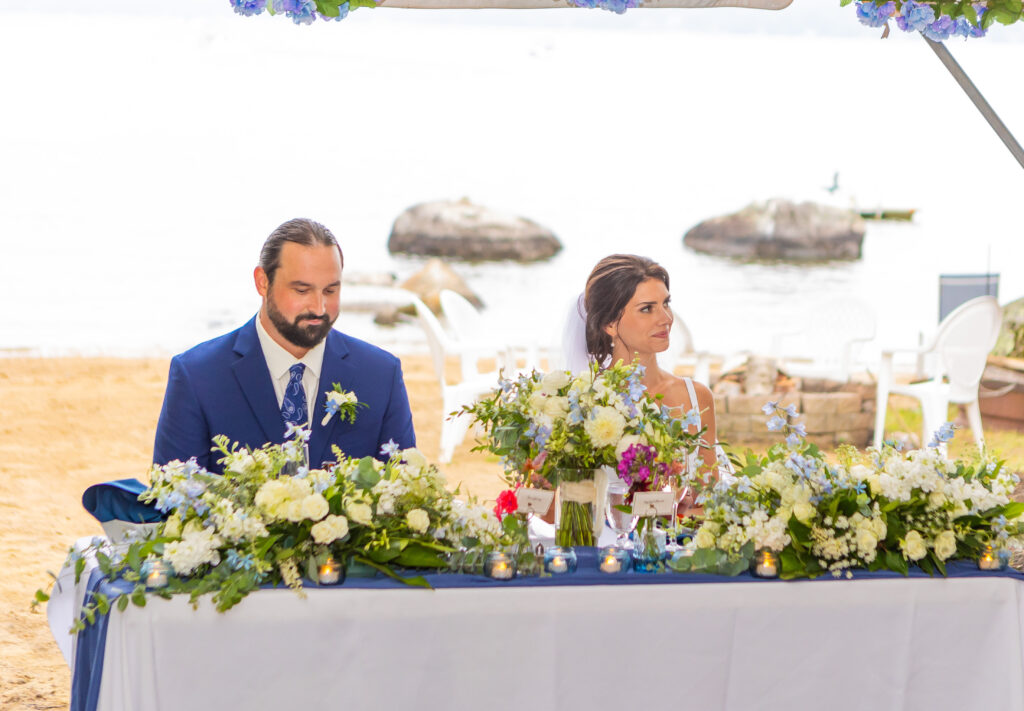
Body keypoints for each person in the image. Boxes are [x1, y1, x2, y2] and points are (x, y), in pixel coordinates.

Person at [153, 218, 416, 473]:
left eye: (330, 290)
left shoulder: (381, 375)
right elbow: (172, 501)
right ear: (262, 282)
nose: (318, 307)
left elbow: (401, 493)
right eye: (302, 291)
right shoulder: (197, 376)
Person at [576, 254, 719, 477]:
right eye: (646, 309)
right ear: (609, 324)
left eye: (666, 304)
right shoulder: (583, 402)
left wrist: (682, 504)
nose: (666, 318)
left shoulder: (697, 397)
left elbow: (706, 500)